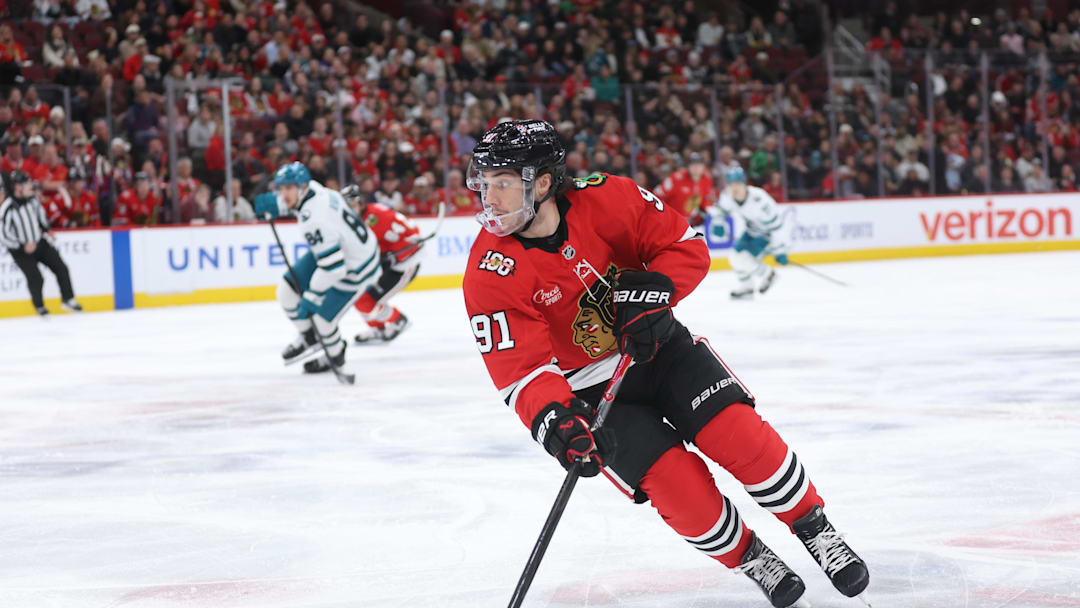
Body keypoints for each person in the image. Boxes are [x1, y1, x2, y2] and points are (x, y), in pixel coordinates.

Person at [462, 120, 869, 608]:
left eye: (502, 182)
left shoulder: (609, 198)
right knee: (679, 491)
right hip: (590, 389)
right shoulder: (490, 271)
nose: (489, 197)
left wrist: (659, 291)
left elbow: (685, 246)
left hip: (661, 351)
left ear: (543, 182)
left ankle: (814, 527)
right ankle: (752, 556)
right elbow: (522, 369)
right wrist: (556, 418)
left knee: (743, 438)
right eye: (484, 183)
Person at [253, 162, 382, 374]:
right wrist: (278, 205)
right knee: (286, 292)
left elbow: (335, 269)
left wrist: (312, 296)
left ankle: (335, 355)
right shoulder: (313, 188)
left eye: (289, 188)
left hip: (357, 266)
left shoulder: (314, 220)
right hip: (341, 246)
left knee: (322, 320)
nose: (284, 194)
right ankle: (309, 337)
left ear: (301, 186)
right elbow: (300, 202)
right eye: (281, 189)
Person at [341, 183, 423, 344]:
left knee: (367, 301)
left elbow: (413, 240)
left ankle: (398, 321)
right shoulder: (354, 221)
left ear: (360, 203)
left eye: (352, 205)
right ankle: (378, 329)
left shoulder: (378, 216)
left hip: (403, 266)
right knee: (358, 299)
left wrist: (394, 256)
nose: (349, 211)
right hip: (382, 265)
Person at [0, 171, 82, 316]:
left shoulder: (32, 199)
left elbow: (40, 217)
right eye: (27, 183)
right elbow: (3, 234)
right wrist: (21, 246)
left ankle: (68, 299)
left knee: (61, 267)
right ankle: (39, 306)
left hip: (38, 242)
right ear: (18, 187)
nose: (31, 186)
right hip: (20, 250)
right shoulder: (7, 207)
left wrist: (47, 230)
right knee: (36, 277)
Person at [711, 166, 790, 299]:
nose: (734, 188)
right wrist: (718, 223)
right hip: (751, 231)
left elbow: (777, 226)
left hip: (768, 235)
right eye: (731, 184)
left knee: (742, 258)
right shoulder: (727, 195)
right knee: (734, 257)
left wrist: (779, 250)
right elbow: (721, 210)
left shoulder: (759, 200)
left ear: (744, 183)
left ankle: (768, 274)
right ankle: (747, 287)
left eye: (737, 184)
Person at [653, 151, 716, 222]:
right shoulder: (676, 178)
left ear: (704, 167)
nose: (696, 168)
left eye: (699, 165)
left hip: (691, 224)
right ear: (688, 166)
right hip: (671, 221)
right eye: (693, 164)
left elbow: (705, 203)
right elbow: (656, 194)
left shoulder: (706, 180)